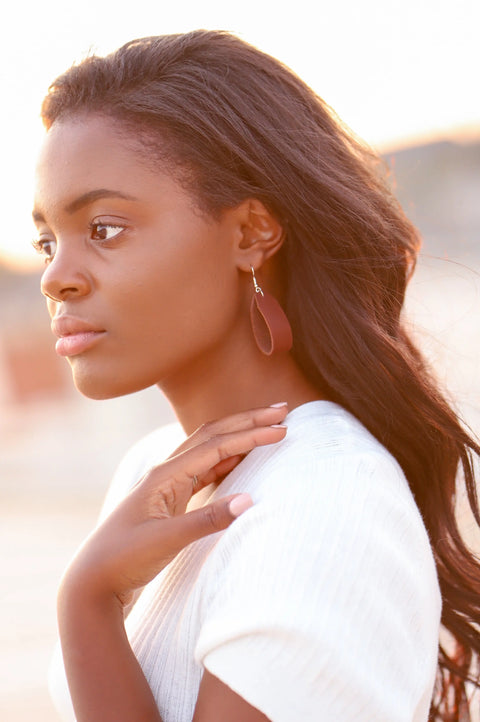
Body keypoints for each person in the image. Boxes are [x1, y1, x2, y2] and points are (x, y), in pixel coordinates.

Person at [32, 30, 480, 722]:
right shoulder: (156, 473)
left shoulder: (329, 496)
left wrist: (87, 605)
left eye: (105, 227)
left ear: (250, 234)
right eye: (46, 241)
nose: (56, 277)